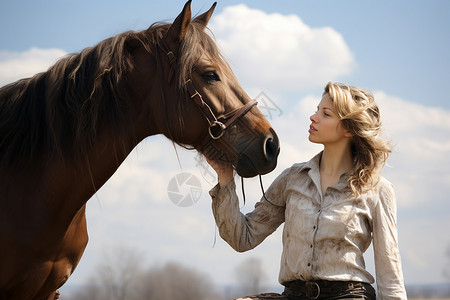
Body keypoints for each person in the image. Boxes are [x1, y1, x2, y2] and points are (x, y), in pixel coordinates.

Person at [207, 82, 407, 300]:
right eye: (316, 110)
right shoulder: (292, 178)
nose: (313, 117)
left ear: (349, 128)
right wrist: (225, 179)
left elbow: (390, 276)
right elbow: (242, 238)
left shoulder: (378, 190)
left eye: (326, 113)